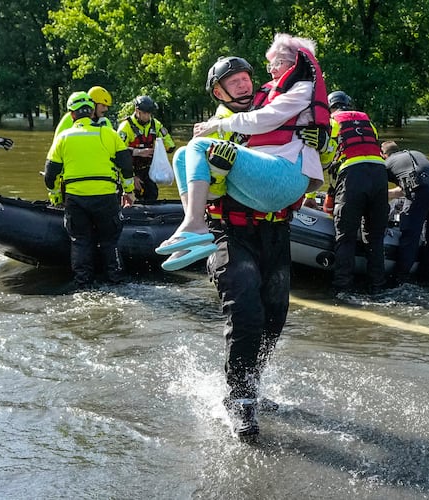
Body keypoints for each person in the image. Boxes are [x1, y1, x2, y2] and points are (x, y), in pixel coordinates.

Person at [158, 34, 330, 438]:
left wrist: (320, 137)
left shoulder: (275, 105)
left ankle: (251, 385)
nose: (242, 84)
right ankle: (239, 401)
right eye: (230, 82)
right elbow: (199, 165)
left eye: (244, 77)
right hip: (229, 233)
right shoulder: (218, 127)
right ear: (218, 92)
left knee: (275, 317)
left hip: (275, 230)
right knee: (246, 314)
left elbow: (303, 115)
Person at [44, 91, 135, 289]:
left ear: (72, 114)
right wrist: (128, 190)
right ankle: (116, 281)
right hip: (106, 197)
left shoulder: (63, 138)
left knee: (80, 241)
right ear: (92, 111)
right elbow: (126, 166)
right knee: (110, 241)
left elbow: (51, 174)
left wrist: (56, 196)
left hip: (76, 199)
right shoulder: (108, 134)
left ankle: (83, 285)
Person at [321, 90, 389, 295]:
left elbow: (324, 159)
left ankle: (343, 289)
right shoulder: (368, 121)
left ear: (330, 106)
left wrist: (310, 196)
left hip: (352, 176)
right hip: (379, 174)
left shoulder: (331, 122)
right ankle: (378, 287)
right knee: (375, 238)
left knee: (345, 236)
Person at [382, 140, 429, 284]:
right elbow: (411, 184)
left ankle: (400, 279)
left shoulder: (388, 163)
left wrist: (383, 194)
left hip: (421, 191)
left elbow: (380, 187)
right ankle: (426, 278)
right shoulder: (416, 153)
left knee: (410, 235)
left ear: (383, 154)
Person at [117, 95, 176, 204]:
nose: (148, 116)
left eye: (150, 113)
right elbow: (118, 153)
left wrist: (161, 144)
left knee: (152, 193)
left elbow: (171, 146)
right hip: (130, 170)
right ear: (137, 111)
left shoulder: (155, 124)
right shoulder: (125, 127)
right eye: (145, 113)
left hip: (148, 170)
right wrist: (132, 176)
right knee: (131, 196)